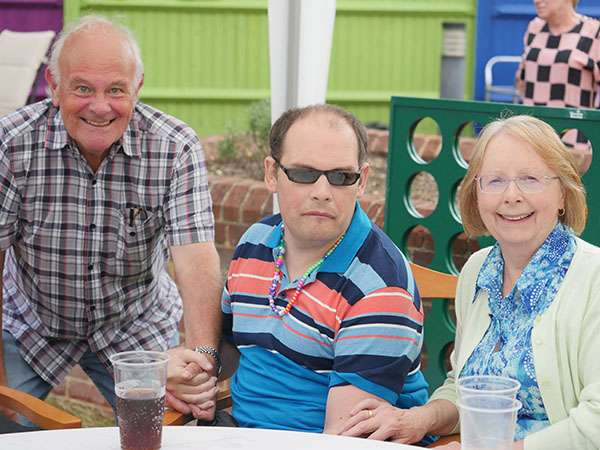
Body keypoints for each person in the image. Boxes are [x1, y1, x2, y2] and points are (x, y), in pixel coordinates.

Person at [0, 15, 223, 423]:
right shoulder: (11, 144)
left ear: (137, 88)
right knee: (4, 426)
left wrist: (201, 360)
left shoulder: (175, 148)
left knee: (168, 432)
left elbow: (196, 256)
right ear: (53, 85)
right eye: (82, 88)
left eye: (116, 90)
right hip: (31, 319)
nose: (100, 107)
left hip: (135, 325)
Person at [166, 104, 430, 438]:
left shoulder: (380, 287)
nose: (322, 191)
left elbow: (344, 438)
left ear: (361, 181)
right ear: (271, 174)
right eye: (304, 173)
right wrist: (195, 370)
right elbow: (239, 347)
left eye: (341, 177)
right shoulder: (257, 243)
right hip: (238, 432)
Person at [338, 115, 600, 449]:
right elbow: (464, 390)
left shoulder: (593, 278)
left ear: (563, 194)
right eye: (494, 181)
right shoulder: (478, 271)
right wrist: (416, 419)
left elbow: (596, 423)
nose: (512, 195)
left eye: (531, 179)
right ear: (476, 195)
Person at [517, 0, 600, 109]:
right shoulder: (535, 28)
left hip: (574, 125)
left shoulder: (593, 31)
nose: (536, 1)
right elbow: (522, 79)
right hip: (535, 124)